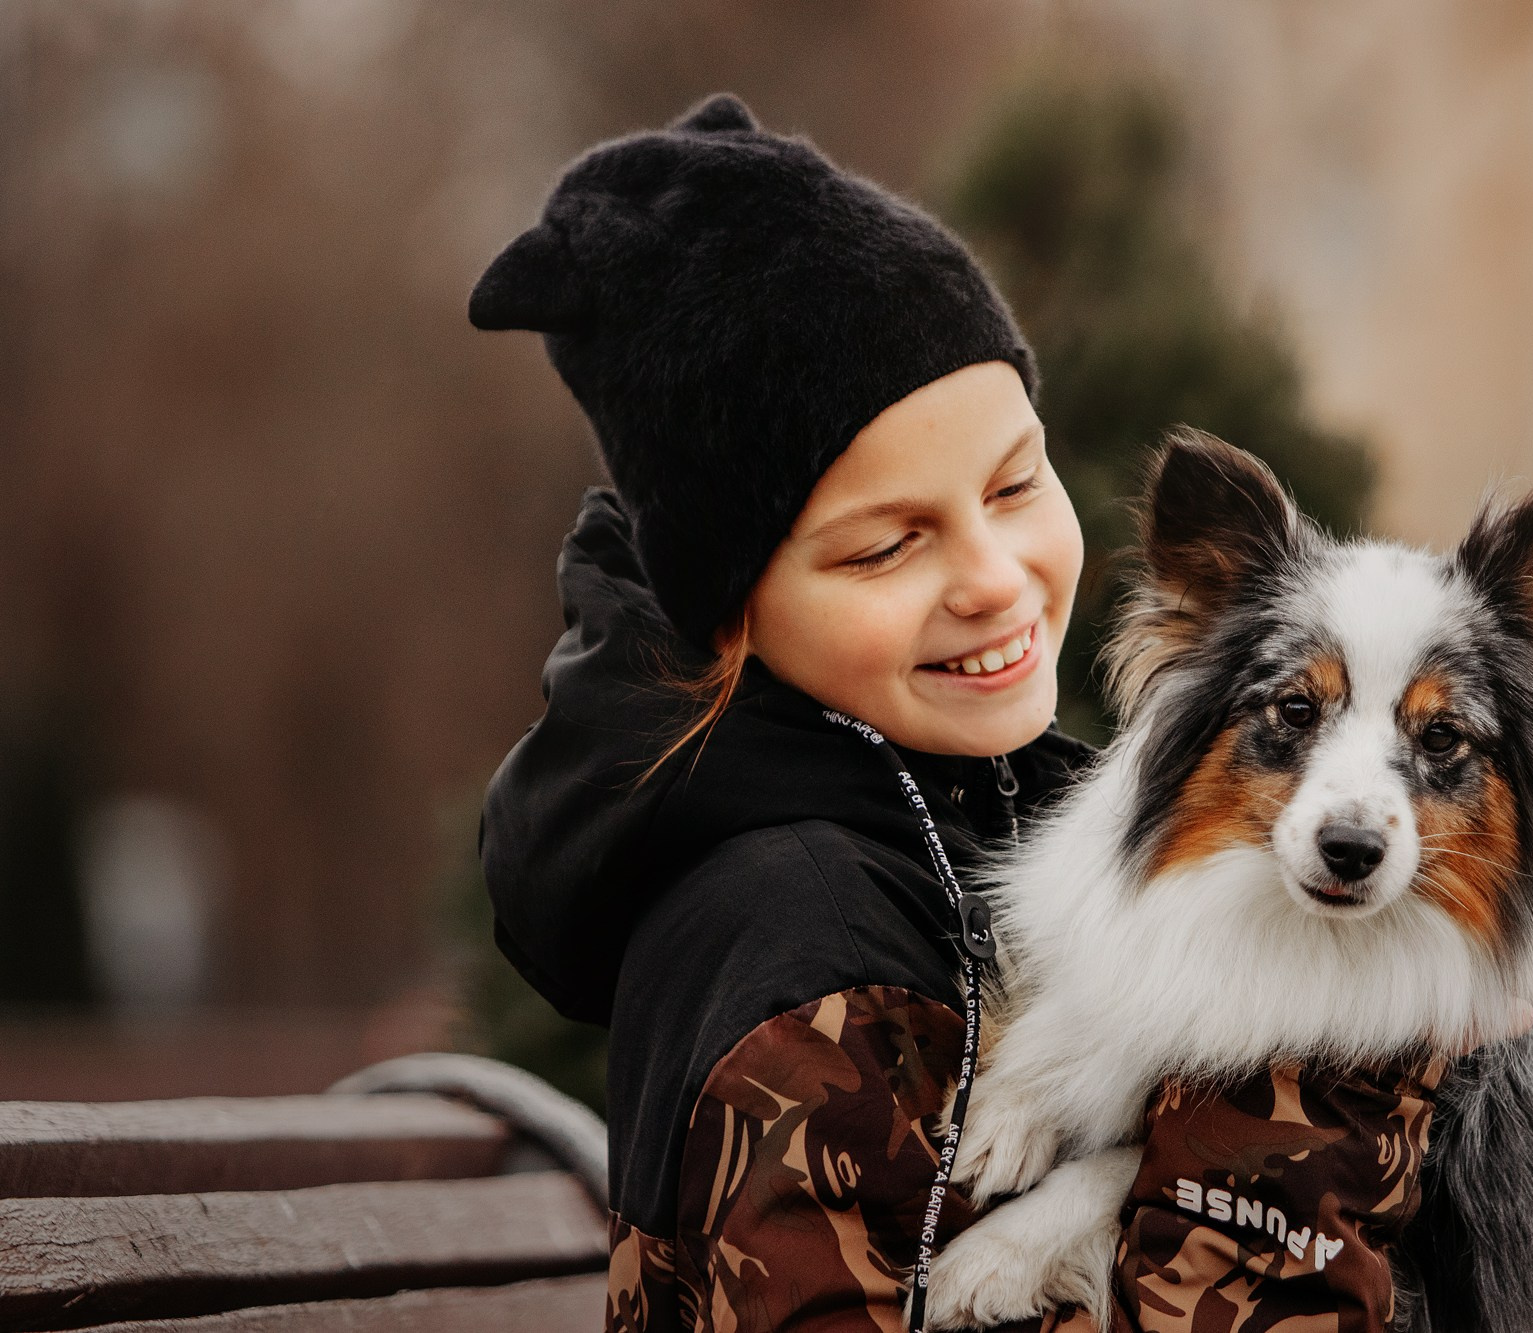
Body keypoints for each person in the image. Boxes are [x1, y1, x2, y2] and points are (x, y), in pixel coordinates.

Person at [471, 92, 1442, 1333]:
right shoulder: (804, 945)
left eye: (1015, 483)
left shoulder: (1008, 806)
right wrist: (1335, 1096)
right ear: (732, 616)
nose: (992, 578)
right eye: (885, 546)